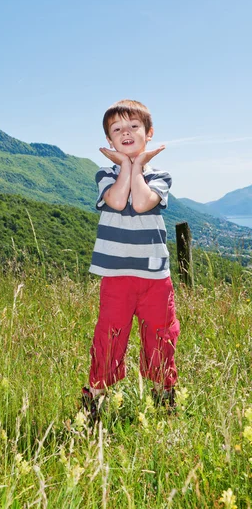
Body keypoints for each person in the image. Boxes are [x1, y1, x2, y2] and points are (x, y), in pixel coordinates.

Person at [82, 99, 180, 419]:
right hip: (116, 273)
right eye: (117, 129)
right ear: (109, 141)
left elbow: (140, 203)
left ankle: (163, 396)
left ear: (148, 133)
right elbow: (117, 198)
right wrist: (126, 166)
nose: (126, 132)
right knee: (110, 335)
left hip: (155, 276)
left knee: (160, 334)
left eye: (134, 126)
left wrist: (136, 167)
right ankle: (96, 398)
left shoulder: (160, 175)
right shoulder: (104, 174)